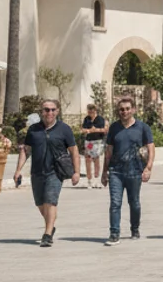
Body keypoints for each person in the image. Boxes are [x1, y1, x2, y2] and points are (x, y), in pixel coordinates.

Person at [13, 98, 80, 247]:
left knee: (50, 200)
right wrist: (18, 170)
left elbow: (74, 151)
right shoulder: (33, 130)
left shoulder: (64, 129)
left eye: (52, 110)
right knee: (40, 203)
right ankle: (51, 225)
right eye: (46, 110)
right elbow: (26, 150)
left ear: (57, 111)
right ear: (41, 112)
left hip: (55, 172)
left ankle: (47, 234)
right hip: (37, 172)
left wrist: (76, 172)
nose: (49, 112)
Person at [101, 97, 154, 245]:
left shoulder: (142, 127)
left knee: (134, 202)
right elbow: (109, 150)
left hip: (135, 171)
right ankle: (114, 233)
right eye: (121, 109)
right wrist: (104, 172)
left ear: (133, 110)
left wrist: (148, 168)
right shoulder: (114, 128)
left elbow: (151, 147)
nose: (124, 112)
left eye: (127, 109)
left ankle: (135, 228)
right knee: (115, 202)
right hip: (116, 171)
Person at [80, 103, 107, 189]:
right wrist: (87, 130)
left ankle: (97, 179)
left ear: (95, 111)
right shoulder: (86, 119)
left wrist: (96, 130)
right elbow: (82, 129)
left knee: (96, 159)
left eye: (91, 111)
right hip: (89, 142)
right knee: (88, 159)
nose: (90, 113)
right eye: (88, 111)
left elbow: (105, 130)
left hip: (97, 141)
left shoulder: (100, 119)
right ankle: (89, 180)